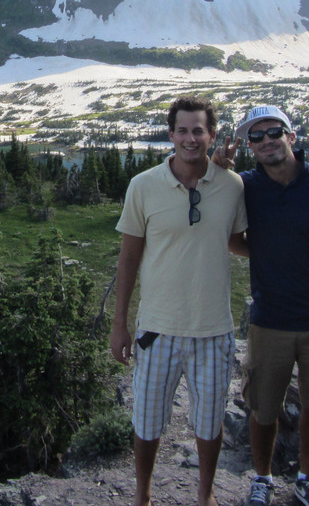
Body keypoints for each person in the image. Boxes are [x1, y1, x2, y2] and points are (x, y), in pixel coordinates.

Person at [216, 104, 309, 506]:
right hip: (269, 319)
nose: (265, 142)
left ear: (291, 137)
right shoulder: (244, 185)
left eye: (273, 132)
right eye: (255, 137)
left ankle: (307, 476)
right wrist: (216, 167)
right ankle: (262, 478)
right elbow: (228, 235)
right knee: (263, 406)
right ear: (250, 147)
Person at [110, 96, 248, 506]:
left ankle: (204, 496)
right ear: (170, 134)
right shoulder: (144, 186)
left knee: (209, 423)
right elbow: (129, 256)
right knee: (147, 421)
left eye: (199, 130)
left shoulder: (232, 185)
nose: (191, 139)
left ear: (212, 135)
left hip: (214, 331)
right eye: (183, 131)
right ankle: (143, 494)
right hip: (157, 328)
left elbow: (238, 241)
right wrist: (120, 323)